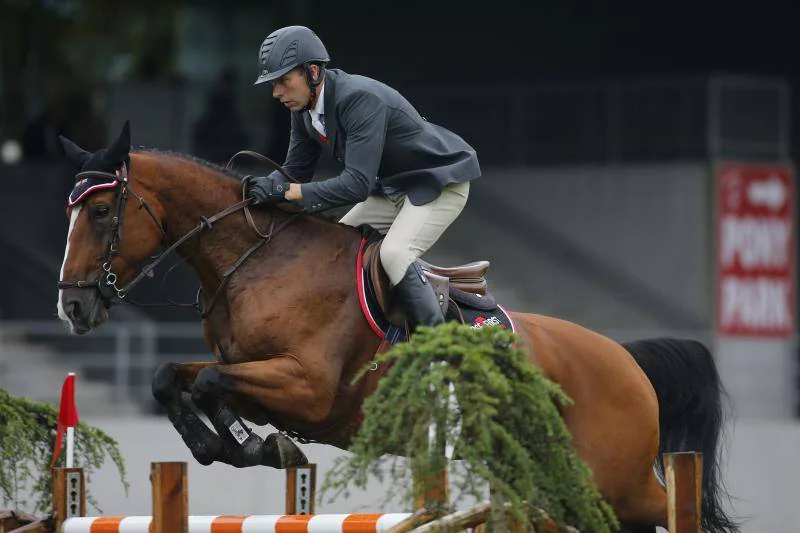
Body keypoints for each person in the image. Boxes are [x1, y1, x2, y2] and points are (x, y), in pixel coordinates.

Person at [245, 25, 481, 329]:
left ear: (313, 72)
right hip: (393, 189)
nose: (276, 93)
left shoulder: (358, 98)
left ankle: (439, 354)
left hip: (437, 183)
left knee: (394, 254)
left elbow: (356, 185)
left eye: (283, 81)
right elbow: (292, 174)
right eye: (273, 84)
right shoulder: (303, 111)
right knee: (334, 248)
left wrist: (286, 192)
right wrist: (254, 192)